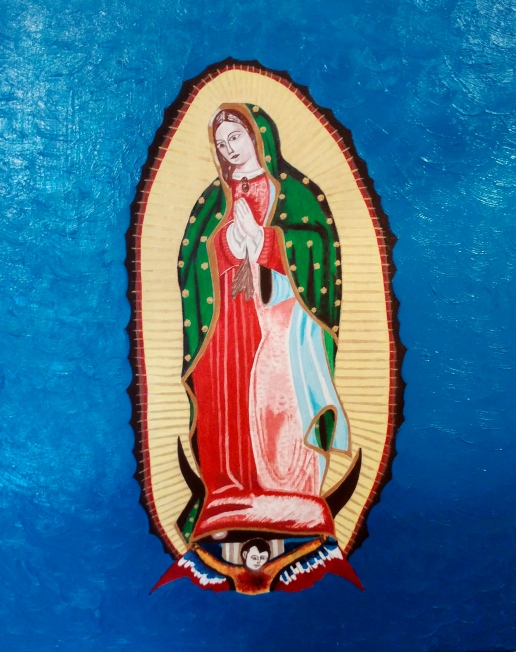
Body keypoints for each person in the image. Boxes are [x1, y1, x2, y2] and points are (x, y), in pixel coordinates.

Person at [178, 103, 349, 541]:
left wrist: (266, 242)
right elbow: (192, 261)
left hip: (280, 316)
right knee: (225, 396)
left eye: (235, 137)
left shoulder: (296, 193)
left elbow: (318, 248)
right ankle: (227, 495)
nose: (229, 149)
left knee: (279, 399)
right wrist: (225, 245)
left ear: (258, 136)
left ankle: (290, 494)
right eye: (221, 144)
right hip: (225, 321)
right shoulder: (212, 201)